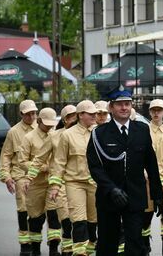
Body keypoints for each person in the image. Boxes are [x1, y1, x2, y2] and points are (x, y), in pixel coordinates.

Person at [87, 87, 163, 256]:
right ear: (111, 107)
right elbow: (95, 167)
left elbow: (151, 164)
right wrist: (111, 189)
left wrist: (157, 195)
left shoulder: (142, 129)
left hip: (135, 195)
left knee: (135, 242)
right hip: (109, 197)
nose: (124, 108)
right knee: (107, 243)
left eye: (127, 104)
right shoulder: (99, 133)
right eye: (119, 104)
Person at [50, 100, 98, 256]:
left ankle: (90, 250)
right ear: (80, 115)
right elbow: (59, 161)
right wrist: (55, 186)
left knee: (93, 221)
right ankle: (79, 252)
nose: (94, 116)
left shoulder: (99, 132)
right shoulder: (67, 135)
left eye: (95, 113)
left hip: (95, 184)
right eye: (90, 114)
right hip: (74, 183)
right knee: (79, 221)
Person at [29, 104, 77, 256]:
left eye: (75, 115)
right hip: (59, 183)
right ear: (64, 119)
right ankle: (61, 250)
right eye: (70, 117)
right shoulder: (54, 136)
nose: (73, 119)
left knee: (80, 221)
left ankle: (72, 249)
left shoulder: (86, 133)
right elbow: (40, 158)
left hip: (80, 182)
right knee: (65, 219)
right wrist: (29, 177)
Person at [19, 107, 61, 256]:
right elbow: (22, 161)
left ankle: (54, 249)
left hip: (53, 183)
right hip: (35, 184)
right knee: (36, 218)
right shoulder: (29, 138)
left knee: (54, 216)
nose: (50, 126)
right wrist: (43, 167)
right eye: (47, 124)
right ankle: (36, 249)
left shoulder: (56, 136)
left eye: (52, 124)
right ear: (39, 121)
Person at [0, 99, 38, 256]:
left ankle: (36, 241)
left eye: (34, 113)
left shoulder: (41, 129)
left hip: (40, 175)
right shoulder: (13, 132)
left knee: (38, 212)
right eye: (28, 113)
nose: (32, 116)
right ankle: (25, 243)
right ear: (21, 114)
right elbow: (6, 156)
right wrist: (7, 177)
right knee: (23, 208)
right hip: (21, 175)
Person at [142, 99, 163, 256]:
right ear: (149, 112)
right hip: (147, 180)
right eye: (153, 110)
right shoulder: (143, 130)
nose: (156, 113)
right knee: (146, 215)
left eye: (159, 110)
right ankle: (144, 247)